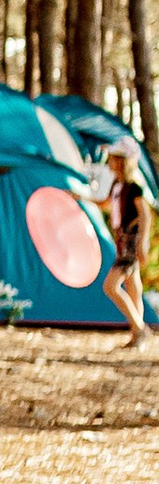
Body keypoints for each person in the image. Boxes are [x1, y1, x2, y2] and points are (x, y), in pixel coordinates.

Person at [99, 140, 151, 354]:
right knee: (133, 288)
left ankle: (141, 329)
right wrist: (80, 197)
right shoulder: (116, 185)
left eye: (113, 158)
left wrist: (142, 243)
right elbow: (104, 204)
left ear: (122, 162)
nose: (109, 161)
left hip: (130, 243)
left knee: (110, 286)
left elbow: (145, 215)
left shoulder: (133, 188)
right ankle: (136, 336)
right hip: (120, 242)